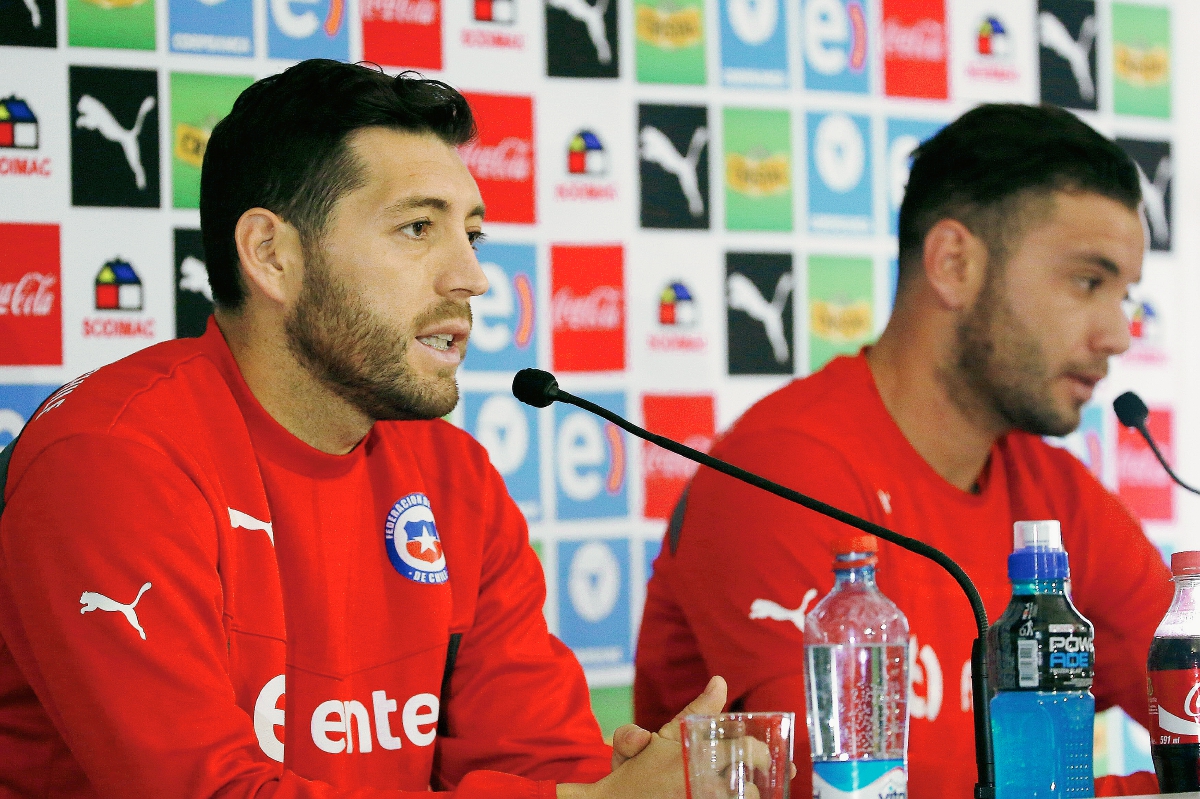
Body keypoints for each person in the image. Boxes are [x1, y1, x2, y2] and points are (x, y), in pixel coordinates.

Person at [0, 59, 723, 798]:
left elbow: (541, 764)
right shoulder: (111, 459)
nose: (471, 276)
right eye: (418, 228)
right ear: (272, 255)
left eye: (471, 234)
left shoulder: (454, 476)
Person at [634, 103, 1174, 797]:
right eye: (1087, 282)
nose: (1119, 333)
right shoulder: (783, 471)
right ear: (954, 263)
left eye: (1125, 294)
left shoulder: (1055, 494)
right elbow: (840, 789)